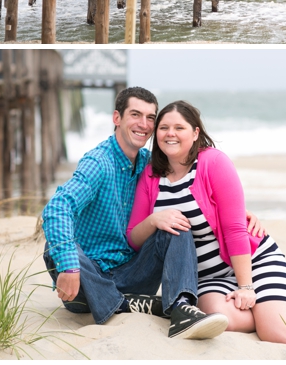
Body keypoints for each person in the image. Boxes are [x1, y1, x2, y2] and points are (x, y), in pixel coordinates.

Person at [127, 100, 286, 344]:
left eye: (179, 128)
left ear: (195, 133)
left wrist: (246, 287)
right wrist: (153, 220)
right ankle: (267, 316)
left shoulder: (213, 162)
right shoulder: (151, 175)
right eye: (164, 127)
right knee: (216, 317)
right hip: (206, 279)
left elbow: (235, 229)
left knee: (277, 333)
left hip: (253, 261)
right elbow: (134, 238)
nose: (170, 134)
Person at [42, 87, 261, 340]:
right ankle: (123, 303)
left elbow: (200, 191)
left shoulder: (149, 163)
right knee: (53, 247)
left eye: (150, 118)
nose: (143, 124)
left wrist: (234, 209)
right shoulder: (98, 163)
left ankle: (180, 309)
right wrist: (69, 268)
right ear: (117, 118)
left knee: (175, 223)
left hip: (132, 274)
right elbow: (57, 208)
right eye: (135, 115)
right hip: (86, 283)